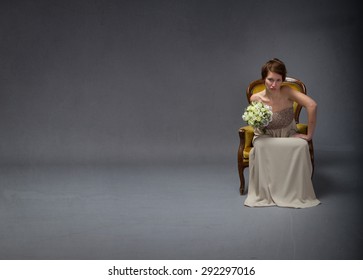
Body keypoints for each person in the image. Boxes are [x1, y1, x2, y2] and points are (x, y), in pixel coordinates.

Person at [244, 58, 320, 208]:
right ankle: (268, 191)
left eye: (278, 80)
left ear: (283, 80)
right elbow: (253, 123)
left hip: (288, 134)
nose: (274, 85)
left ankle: (292, 191)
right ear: (263, 79)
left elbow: (312, 105)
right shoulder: (256, 98)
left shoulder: (287, 91)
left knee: (301, 146)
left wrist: (309, 135)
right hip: (265, 137)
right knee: (260, 147)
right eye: (270, 80)